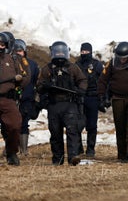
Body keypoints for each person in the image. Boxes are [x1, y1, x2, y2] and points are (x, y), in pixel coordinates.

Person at [37, 41, 88, 166]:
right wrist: (45, 86)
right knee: (55, 133)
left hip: (70, 104)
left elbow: (83, 80)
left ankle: (73, 157)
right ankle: (57, 159)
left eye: (62, 52)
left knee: (72, 131)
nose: (59, 54)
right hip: (54, 105)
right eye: (57, 52)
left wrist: (80, 90)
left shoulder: (73, 68)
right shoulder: (47, 69)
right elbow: (38, 85)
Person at [97, 41, 128, 163]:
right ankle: (122, 154)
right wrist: (101, 96)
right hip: (118, 99)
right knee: (120, 126)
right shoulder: (111, 63)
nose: (122, 60)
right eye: (120, 58)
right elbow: (103, 79)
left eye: (125, 58)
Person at [0, 32, 30, 165]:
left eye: (2, 44)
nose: (0, 46)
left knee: (14, 125)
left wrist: (20, 81)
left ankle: (11, 152)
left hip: (8, 99)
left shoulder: (13, 59)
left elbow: (24, 76)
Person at [75, 42, 104, 158]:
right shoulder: (76, 65)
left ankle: (91, 149)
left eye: (86, 51)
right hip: (80, 97)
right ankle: (79, 147)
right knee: (78, 124)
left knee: (92, 125)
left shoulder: (97, 65)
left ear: (90, 52)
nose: (84, 53)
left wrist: (102, 98)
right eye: (82, 51)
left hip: (92, 97)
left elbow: (102, 81)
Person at [14, 39, 38, 157]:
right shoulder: (8, 62)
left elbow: (36, 81)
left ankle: (24, 150)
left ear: (24, 51)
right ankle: (11, 148)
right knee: (10, 124)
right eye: (16, 51)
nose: (18, 53)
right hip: (11, 98)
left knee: (24, 123)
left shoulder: (32, 65)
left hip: (27, 98)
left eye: (20, 51)